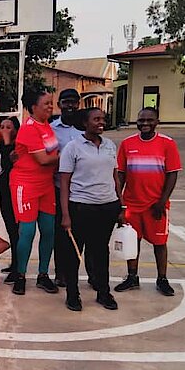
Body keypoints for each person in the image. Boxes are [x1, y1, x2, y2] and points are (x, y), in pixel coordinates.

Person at [114, 107, 182, 297]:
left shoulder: (167, 143)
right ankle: (132, 277)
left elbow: (172, 174)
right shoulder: (127, 143)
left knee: (159, 243)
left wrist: (162, 201)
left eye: (149, 120)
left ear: (157, 122)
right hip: (132, 204)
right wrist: (120, 202)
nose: (145, 124)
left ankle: (162, 279)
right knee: (132, 241)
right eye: (141, 120)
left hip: (156, 205)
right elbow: (121, 174)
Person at [58, 108, 122, 312]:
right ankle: (72, 294)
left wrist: (120, 205)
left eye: (103, 119)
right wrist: (66, 214)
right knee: (74, 253)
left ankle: (103, 292)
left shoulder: (110, 145)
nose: (101, 122)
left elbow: (115, 177)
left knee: (101, 251)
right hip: (81, 207)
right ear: (85, 123)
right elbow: (64, 182)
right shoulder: (73, 147)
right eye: (96, 119)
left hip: (107, 207)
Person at [10, 91, 60, 296]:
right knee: (28, 232)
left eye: (51, 103)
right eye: (46, 103)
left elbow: (50, 155)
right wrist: (67, 155)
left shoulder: (47, 125)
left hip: (46, 185)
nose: (50, 106)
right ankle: (20, 275)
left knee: (48, 231)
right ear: (33, 107)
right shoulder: (29, 128)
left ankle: (43, 275)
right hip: (26, 185)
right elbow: (44, 159)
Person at [50, 89, 86, 288]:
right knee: (61, 232)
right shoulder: (51, 129)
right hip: (58, 187)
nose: (70, 105)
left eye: (73, 102)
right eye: (66, 102)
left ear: (79, 104)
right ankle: (60, 273)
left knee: (83, 233)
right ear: (59, 105)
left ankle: (90, 274)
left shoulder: (86, 127)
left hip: (83, 189)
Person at [0, 117, 20, 284]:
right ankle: (14, 263)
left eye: (8, 127)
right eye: (2, 127)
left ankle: (18, 269)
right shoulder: (0, 146)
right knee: (11, 231)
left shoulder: (15, 148)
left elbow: (7, 164)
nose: (4, 130)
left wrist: (6, 141)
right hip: (4, 195)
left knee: (17, 232)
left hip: (14, 194)